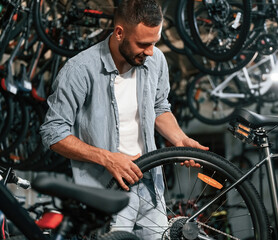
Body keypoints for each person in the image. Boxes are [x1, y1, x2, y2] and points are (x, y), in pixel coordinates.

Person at [39, 0, 208, 239]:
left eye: (154, 43)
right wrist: (108, 159)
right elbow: (53, 132)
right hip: (107, 192)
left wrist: (180, 138)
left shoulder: (156, 60)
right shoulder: (79, 70)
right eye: (143, 44)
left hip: (151, 185)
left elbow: (159, 108)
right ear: (119, 33)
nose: (150, 51)